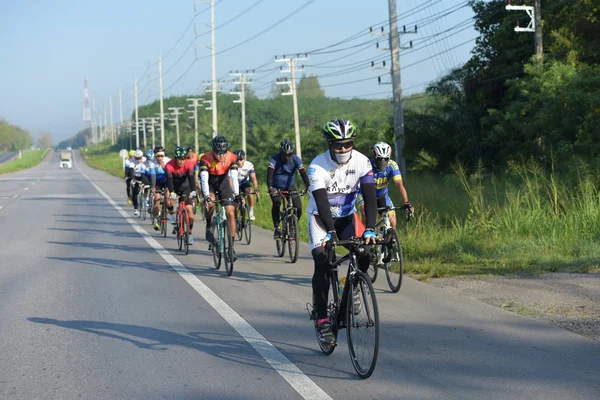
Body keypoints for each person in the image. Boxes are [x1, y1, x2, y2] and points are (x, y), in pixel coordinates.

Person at [306, 118, 378, 345]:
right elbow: (321, 201)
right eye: (338, 145)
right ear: (329, 144)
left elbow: (369, 197)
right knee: (322, 261)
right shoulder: (317, 166)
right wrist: (330, 232)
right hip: (321, 219)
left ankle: (351, 286)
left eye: (348, 144)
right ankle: (322, 319)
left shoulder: (363, 162)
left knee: (364, 253)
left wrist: (370, 229)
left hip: (347, 217)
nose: (343, 149)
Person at [356, 142, 414, 230]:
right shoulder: (367, 165)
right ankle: (364, 237)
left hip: (382, 196)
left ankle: (388, 242)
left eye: (385, 159)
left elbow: (399, 184)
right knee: (365, 213)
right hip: (365, 195)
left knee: (392, 221)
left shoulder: (392, 165)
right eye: (379, 159)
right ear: (374, 157)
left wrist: (406, 202)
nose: (382, 162)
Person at [198, 135, 239, 257]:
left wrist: (236, 194)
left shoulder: (232, 157)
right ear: (213, 150)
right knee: (210, 203)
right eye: (218, 152)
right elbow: (204, 180)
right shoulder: (206, 158)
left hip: (223, 183)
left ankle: (231, 246)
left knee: (231, 212)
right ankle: (209, 224)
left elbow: (234, 177)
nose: (221, 155)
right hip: (210, 183)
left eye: (223, 152)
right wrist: (206, 196)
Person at [267, 139, 310, 239]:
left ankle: (292, 225)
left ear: (292, 153)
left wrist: (308, 186)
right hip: (276, 187)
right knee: (276, 203)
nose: (286, 157)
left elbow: (303, 173)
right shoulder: (274, 158)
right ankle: (277, 228)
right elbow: (269, 173)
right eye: (284, 155)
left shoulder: (296, 159)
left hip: (290, 187)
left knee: (298, 207)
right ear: (280, 153)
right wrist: (270, 187)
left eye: (289, 155)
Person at [165, 146, 197, 245]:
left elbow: (192, 179)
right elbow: (169, 180)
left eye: (183, 158)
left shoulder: (189, 164)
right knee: (167, 196)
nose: (181, 161)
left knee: (189, 210)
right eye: (179, 159)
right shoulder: (169, 165)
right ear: (175, 159)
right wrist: (172, 192)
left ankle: (190, 233)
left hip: (186, 187)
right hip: (173, 186)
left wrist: (193, 191)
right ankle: (172, 216)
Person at [150, 145, 171, 230]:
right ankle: (157, 217)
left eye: (161, 156)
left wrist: (164, 167)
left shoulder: (168, 161)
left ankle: (165, 212)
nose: (159, 158)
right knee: (156, 200)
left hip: (166, 181)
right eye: (157, 156)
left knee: (167, 196)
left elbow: (170, 175)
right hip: (158, 182)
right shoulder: (152, 162)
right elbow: (153, 175)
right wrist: (153, 186)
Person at [234, 149, 259, 221]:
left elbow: (253, 178)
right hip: (235, 184)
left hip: (244, 183)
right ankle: (235, 219)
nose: (239, 162)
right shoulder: (233, 165)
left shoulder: (249, 165)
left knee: (250, 192)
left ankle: (251, 211)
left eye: (241, 159)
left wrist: (256, 188)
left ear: (244, 159)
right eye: (237, 160)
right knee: (236, 202)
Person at [129, 149, 154, 217]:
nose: (138, 160)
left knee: (148, 186)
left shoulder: (145, 160)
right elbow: (131, 171)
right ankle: (136, 208)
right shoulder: (132, 162)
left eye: (140, 158)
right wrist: (133, 179)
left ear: (142, 156)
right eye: (137, 158)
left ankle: (146, 198)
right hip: (136, 177)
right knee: (135, 192)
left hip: (145, 176)